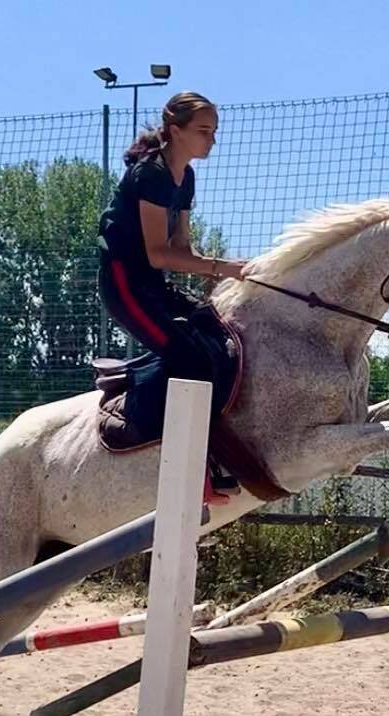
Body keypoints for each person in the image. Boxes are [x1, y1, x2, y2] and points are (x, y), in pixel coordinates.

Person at [96, 91, 249, 503]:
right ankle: (185, 465)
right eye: (203, 130)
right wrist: (223, 268)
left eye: (215, 131)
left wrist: (231, 270)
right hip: (124, 284)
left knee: (215, 330)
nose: (212, 140)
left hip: (152, 284)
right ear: (175, 129)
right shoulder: (151, 175)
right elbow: (157, 253)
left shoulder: (187, 178)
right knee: (189, 358)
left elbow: (183, 252)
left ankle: (207, 450)